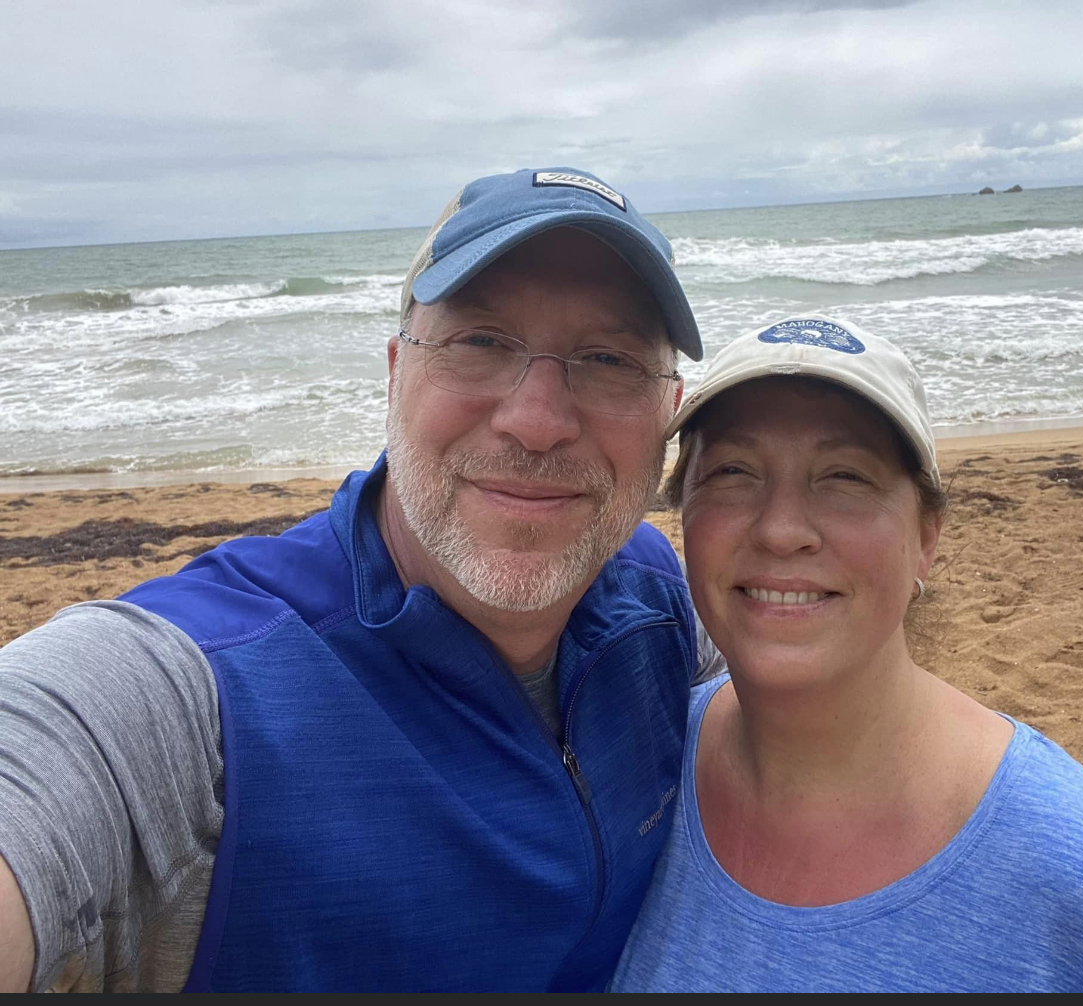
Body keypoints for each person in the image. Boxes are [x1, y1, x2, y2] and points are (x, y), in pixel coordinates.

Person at [0, 167, 723, 992]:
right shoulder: (206, 686)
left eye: (607, 358)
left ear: (668, 411)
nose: (537, 420)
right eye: (480, 341)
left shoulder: (655, 602)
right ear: (394, 371)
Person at [611, 316, 1083, 993]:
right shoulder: (636, 777)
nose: (781, 530)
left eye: (844, 477)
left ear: (926, 537)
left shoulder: (1081, 880)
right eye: (733, 471)